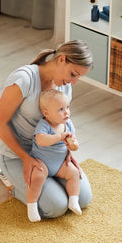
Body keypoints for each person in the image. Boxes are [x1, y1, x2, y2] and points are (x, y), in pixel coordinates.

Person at [0, 39, 93, 219]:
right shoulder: (24, 79)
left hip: (52, 155)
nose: (74, 81)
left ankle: (50, 181)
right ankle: (11, 180)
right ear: (61, 59)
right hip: (18, 156)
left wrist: (67, 151)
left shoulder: (65, 85)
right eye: (73, 74)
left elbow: (62, 122)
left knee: (84, 198)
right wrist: (26, 158)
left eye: (78, 77)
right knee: (55, 207)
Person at [27, 89, 81, 222]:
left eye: (67, 107)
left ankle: (73, 201)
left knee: (73, 173)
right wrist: (59, 137)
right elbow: (41, 140)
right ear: (46, 113)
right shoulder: (44, 125)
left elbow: (75, 143)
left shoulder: (67, 124)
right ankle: (32, 205)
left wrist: (73, 146)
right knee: (38, 177)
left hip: (60, 163)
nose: (66, 112)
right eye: (60, 109)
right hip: (42, 161)